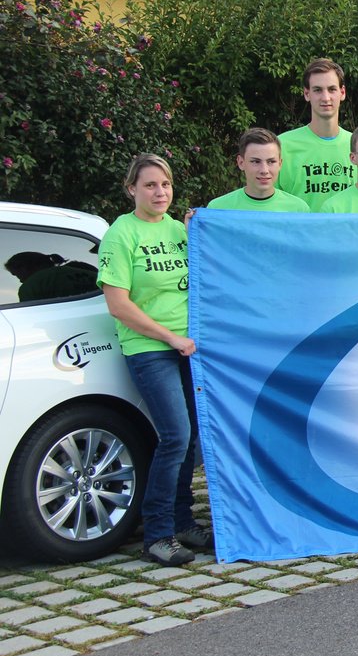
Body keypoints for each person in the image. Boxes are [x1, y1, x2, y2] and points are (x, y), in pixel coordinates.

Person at [96, 153, 210, 565]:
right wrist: (169, 337)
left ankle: (182, 522)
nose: (160, 192)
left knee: (192, 438)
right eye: (149, 185)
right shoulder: (120, 234)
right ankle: (157, 534)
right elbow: (118, 305)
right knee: (175, 436)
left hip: (187, 348)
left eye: (165, 184)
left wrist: (201, 229)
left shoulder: (178, 230)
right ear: (132, 190)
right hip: (151, 349)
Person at [277, 58, 356, 211]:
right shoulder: (282, 145)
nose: (325, 98)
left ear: (342, 92)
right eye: (318, 90)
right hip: (298, 227)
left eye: (332, 89)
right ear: (307, 94)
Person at [208, 128, 310, 212]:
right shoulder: (217, 209)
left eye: (271, 161)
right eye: (256, 162)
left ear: (280, 164)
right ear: (241, 163)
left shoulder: (299, 209)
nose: (264, 170)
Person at [5, 252, 97, 302]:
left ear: (23, 268)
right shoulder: (87, 271)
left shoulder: (31, 286)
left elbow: (31, 315)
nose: (20, 281)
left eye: (16, 274)